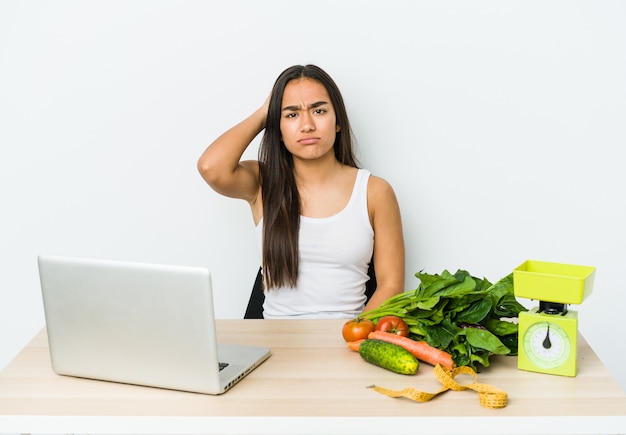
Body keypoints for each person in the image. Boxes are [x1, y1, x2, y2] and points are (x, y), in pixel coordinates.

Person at [197, 64, 405, 319]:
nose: (307, 125)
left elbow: (391, 286)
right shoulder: (263, 183)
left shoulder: (375, 191)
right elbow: (211, 167)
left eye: (319, 111)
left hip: (348, 342)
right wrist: (265, 112)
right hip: (273, 346)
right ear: (278, 129)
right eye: (292, 114)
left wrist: (350, 338)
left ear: (338, 122)